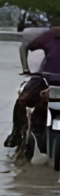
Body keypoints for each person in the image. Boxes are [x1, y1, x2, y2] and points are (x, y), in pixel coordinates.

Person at [5, 15, 60, 148]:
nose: (55, 29)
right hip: (44, 79)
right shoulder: (47, 37)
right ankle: (16, 133)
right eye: (53, 26)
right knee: (23, 99)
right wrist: (25, 68)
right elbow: (24, 47)